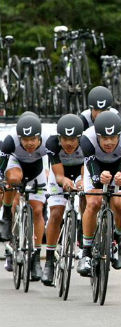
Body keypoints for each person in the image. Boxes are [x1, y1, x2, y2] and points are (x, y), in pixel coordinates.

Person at [77, 111, 121, 276]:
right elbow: (92, 171)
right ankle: (87, 251)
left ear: (119, 135)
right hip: (95, 166)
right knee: (94, 202)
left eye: (112, 138)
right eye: (104, 138)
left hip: (119, 167)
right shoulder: (87, 138)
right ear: (97, 136)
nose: (109, 142)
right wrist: (98, 178)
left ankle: (118, 238)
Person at [0, 114, 48, 279]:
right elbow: (2, 167)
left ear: (39, 137)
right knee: (12, 181)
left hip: (37, 170)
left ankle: (35, 258)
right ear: (19, 137)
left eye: (32, 139)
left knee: (37, 211)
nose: (29, 143)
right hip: (16, 165)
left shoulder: (48, 141)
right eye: (25, 139)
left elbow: (55, 163)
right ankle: (7, 215)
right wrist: (3, 182)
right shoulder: (10, 141)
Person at [42, 114, 84, 285]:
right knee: (56, 213)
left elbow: (85, 170)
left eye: (73, 139)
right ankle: (49, 261)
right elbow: (59, 175)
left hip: (80, 173)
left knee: (88, 200)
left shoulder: (87, 143)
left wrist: (82, 182)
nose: (69, 143)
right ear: (59, 138)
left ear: (79, 138)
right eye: (65, 139)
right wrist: (64, 182)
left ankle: (83, 245)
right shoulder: (52, 144)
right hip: (60, 175)